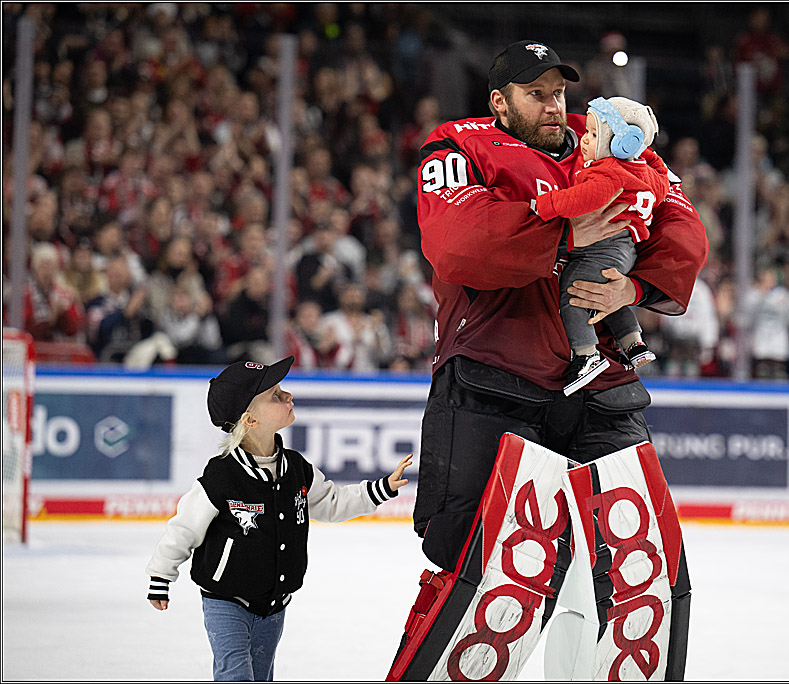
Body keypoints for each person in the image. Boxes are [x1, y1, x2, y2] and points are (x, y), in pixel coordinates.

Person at [389, 39, 708, 681]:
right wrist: (563, 232)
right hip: (492, 379)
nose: (554, 104)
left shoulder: (615, 140)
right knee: (479, 578)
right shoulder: (458, 144)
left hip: (602, 384)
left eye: (558, 91)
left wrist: (635, 289)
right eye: (536, 94)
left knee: (637, 580)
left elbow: (681, 226)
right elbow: (458, 244)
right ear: (499, 101)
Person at [145, 355, 413, 681]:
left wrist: (380, 488)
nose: (288, 396)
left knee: (261, 676)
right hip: (226, 600)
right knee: (236, 675)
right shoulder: (222, 476)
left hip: (274, 603)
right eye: (275, 395)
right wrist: (161, 577)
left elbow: (331, 502)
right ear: (250, 420)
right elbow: (184, 528)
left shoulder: (296, 468)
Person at [534, 95, 667, 393]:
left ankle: (586, 355)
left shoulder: (609, 177)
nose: (584, 139)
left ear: (621, 144)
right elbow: (660, 172)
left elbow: (573, 202)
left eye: (594, 135)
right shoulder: (650, 177)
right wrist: (647, 153)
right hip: (624, 249)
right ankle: (634, 344)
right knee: (604, 296)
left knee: (575, 292)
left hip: (603, 245)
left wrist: (543, 204)